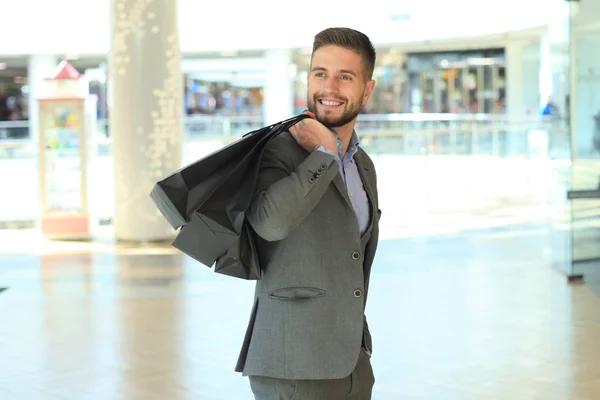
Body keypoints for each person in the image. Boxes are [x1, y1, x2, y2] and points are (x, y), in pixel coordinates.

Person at [235, 27, 382, 399]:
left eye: (344, 76)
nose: (329, 87)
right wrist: (323, 156)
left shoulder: (363, 164)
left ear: (367, 90)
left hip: (351, 361)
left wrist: (360, 347)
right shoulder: (276, 151)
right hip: (293, 364)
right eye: (320, 73)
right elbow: (270, 222)